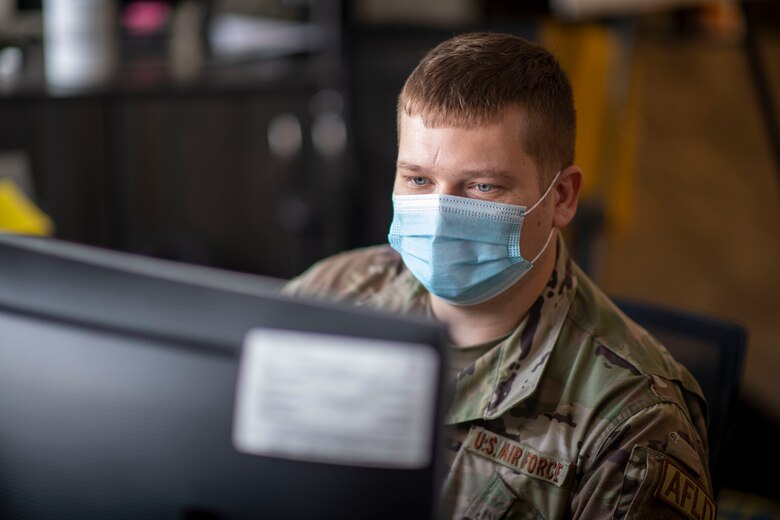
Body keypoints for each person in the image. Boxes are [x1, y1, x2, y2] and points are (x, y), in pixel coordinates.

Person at [283, 32, 713, 519]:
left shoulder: (632, 422)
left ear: (562, 198)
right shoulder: (332, 293)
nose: (441, 214)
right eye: (418, 179)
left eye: (483, 186)